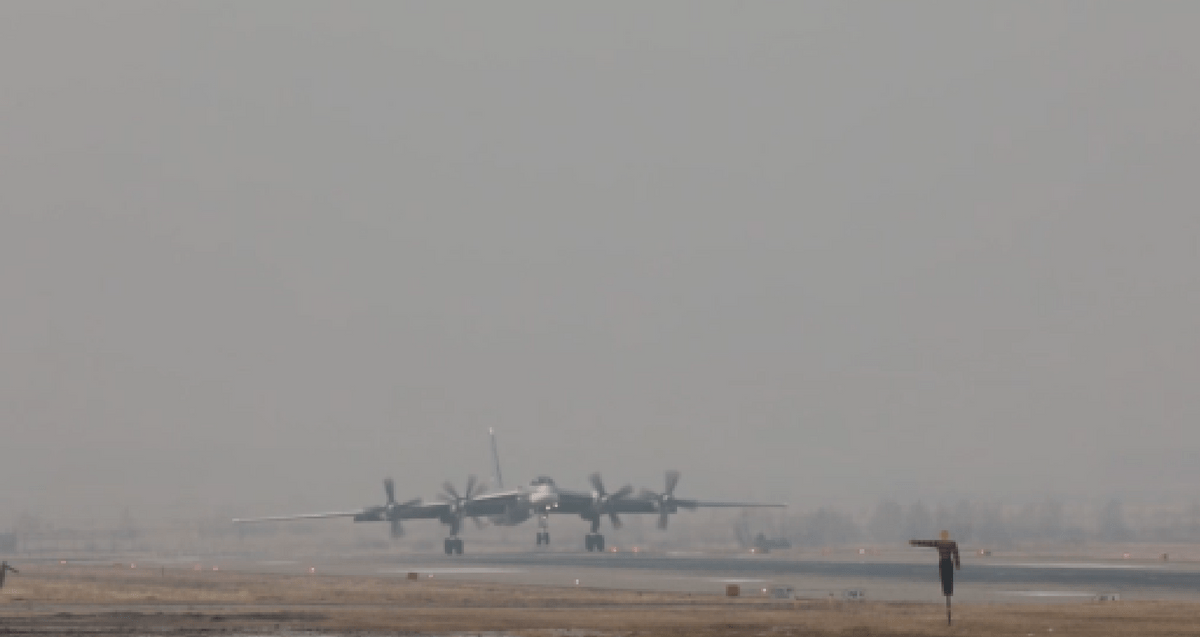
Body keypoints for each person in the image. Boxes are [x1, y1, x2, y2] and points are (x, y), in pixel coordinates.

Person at [910, 529, 960, 595]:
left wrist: (915, 542)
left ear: (941, 536)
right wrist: (957, 564)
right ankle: (949, 592)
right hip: (949, 562)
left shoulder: (940, 543)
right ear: (947, 536)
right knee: (949, 578)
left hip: (943, 562)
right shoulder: (952, 543)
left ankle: (946, 592)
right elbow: (956, 555)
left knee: (944, 578)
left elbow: (927, 543)